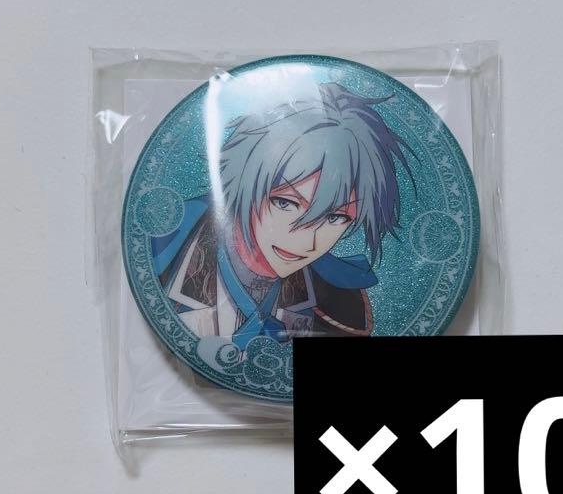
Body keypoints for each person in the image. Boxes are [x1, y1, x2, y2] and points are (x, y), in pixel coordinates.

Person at [150, 81, 412, 349]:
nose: (306, 242)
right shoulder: (162, 250)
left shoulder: (342, 305)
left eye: (335, 217)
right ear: (244, 181)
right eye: (285, 203)